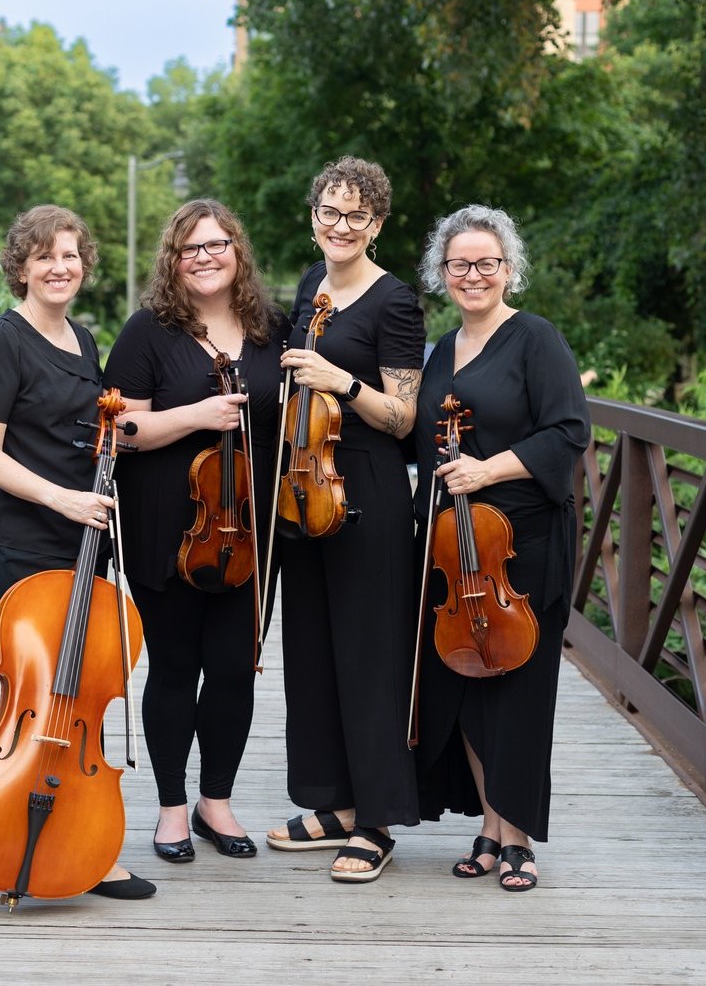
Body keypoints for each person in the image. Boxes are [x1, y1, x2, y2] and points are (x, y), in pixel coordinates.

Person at [0, 204, 156, 901]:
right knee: (41, 690)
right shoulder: (1, 341)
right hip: (23, 530)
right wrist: (62, 499)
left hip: (84, 535)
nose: (59, 267)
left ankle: (83, 844)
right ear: (20, 267)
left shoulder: (83, 338)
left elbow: (96, 434)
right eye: (44, 256)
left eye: (70, 255)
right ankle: (14, 835)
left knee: (80, 689)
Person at [412, 204, 591, 891]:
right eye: (459, 264)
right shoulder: (440, 350)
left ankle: (516, 836)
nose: (473, 275)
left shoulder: (536, 339)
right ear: (443, 274)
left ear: (508, 269)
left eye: (487, 263)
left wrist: (487, 469)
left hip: (522, 545)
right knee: (460, 684)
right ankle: (489, 824)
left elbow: (567, 431)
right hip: (455, 551)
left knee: (517, 688)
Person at [103, 199, 285, 864]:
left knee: (236, 670)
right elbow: (120, 430)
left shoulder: (272, 330)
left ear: (239, 253)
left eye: (217, 245)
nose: (204, 258)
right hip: (167, 527)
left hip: (252, 532)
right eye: (190, 249)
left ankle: (217, 803)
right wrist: (198, 414)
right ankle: (173, 809)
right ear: (172, 263)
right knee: (176, 668)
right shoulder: (148, 332)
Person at [265, 155, 426, 882]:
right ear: (313, 217)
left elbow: (402, 417)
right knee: (315, 653)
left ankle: (379, 819)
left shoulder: (396, 303)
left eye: (357, 215)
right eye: (330, 211)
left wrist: (343, 381)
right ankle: (334, 805)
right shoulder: (310, 287)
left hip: (367, 491)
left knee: (369, 656)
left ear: (378, 224)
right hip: (305, 487)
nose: (341, 226)